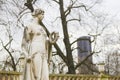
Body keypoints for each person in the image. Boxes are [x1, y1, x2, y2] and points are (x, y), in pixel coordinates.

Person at [21, 9, 58, 80]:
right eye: (42, 14)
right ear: (37, 14)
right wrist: (26, 55)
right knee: (36, 75)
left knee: (45, 75)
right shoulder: (30, 26)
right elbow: (24, 43)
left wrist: (50, 42)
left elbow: (45, 41)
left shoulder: (42, 28)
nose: (43, 16)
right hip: (35, 51)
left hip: (43, 52)